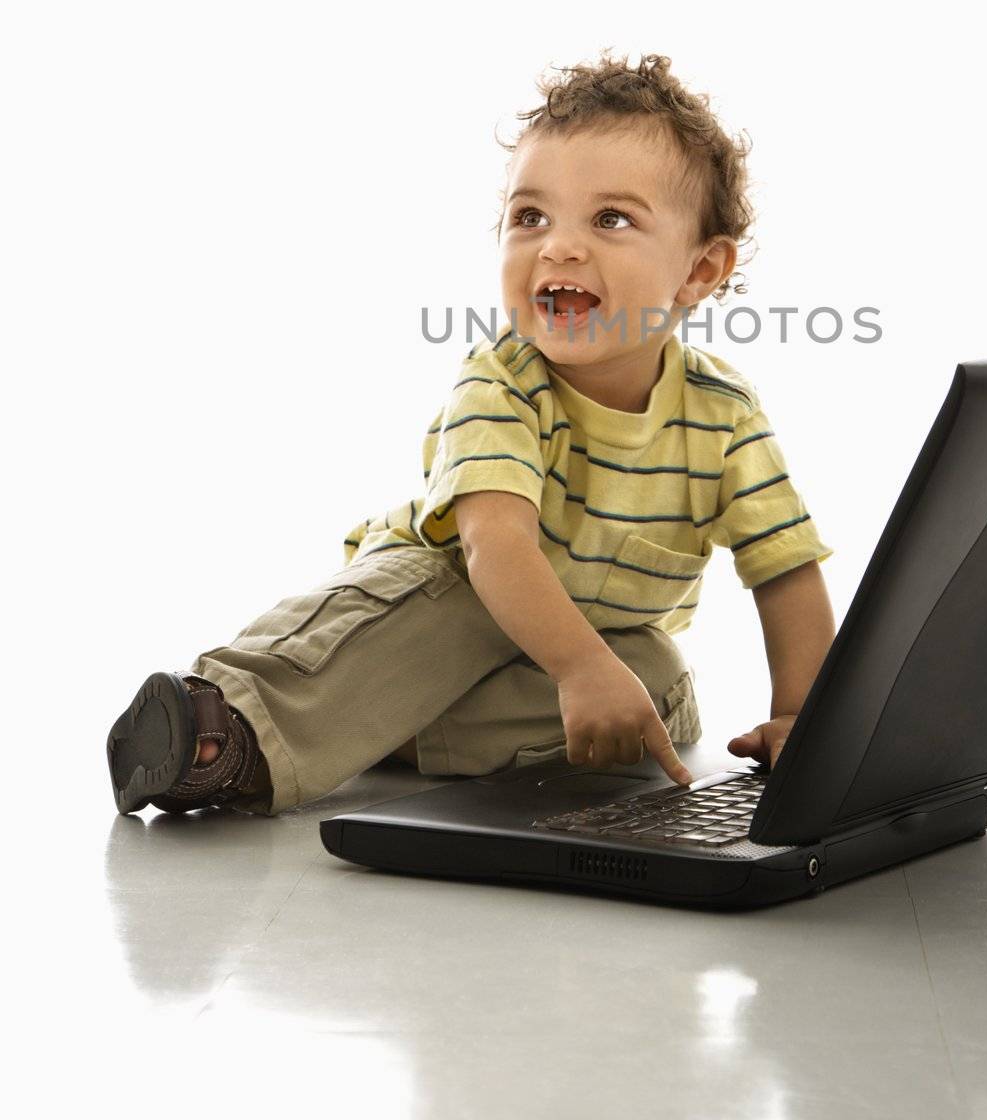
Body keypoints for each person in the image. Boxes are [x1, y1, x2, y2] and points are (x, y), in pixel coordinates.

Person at [106, 51, 838, 816]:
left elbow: (781, 568)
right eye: (530, 218)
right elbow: (498, 550)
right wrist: (582, 668)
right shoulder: (501, 382)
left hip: (565, 643)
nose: (557, 246)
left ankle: (386, 731)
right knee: (437, 608)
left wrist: (800, 718)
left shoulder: (723, 414)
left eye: (610, 219)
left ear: (699, 271)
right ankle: (222, 732)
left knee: (653, 675)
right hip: (452, 590)